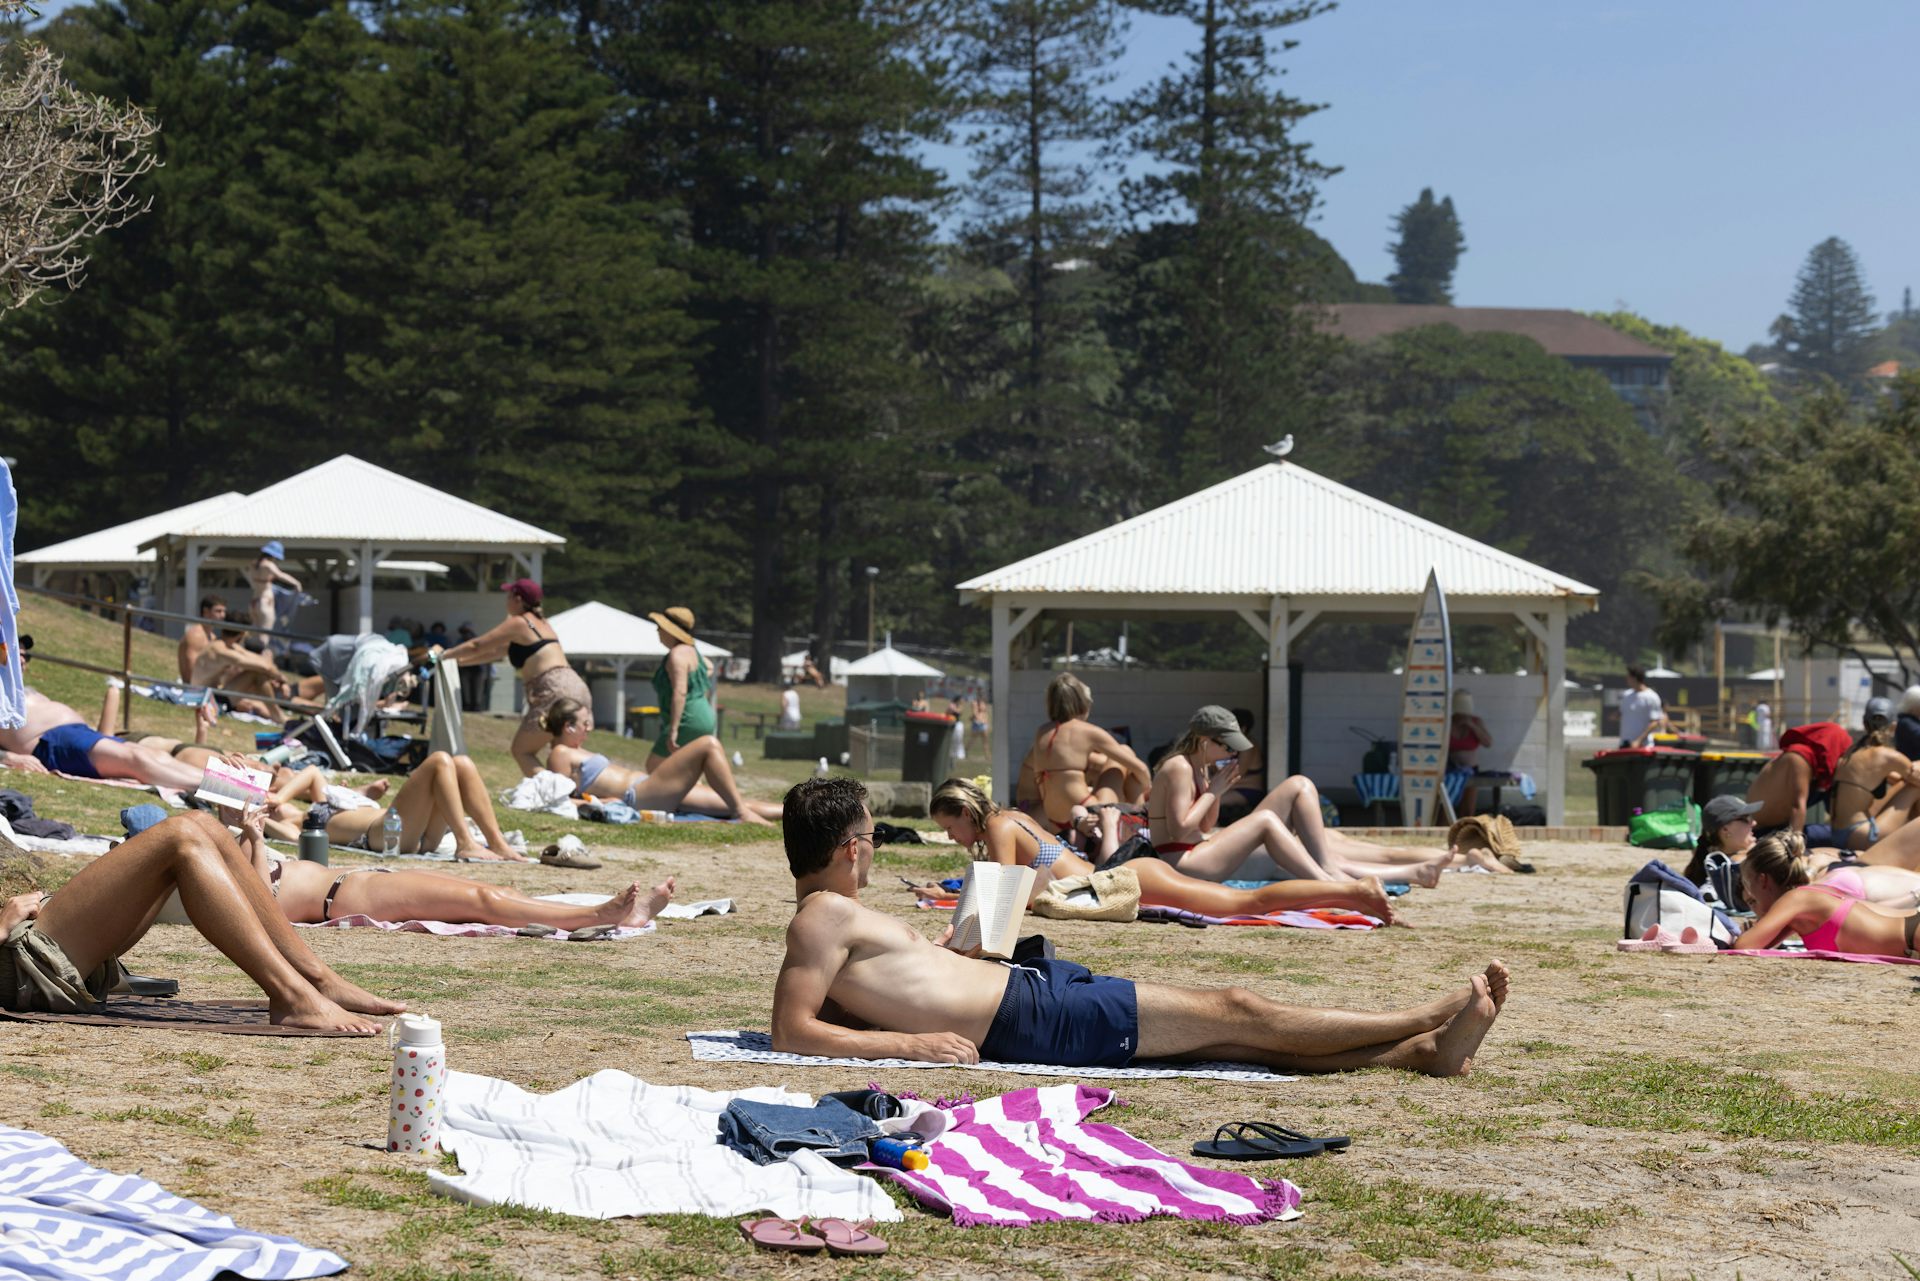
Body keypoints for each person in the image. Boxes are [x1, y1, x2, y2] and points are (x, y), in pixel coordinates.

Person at [771, 777, 1506, 1074]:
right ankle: (1420, 1016)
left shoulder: (828, 920)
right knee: (1237, 1009)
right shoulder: (822, 916)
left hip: (1028, 993)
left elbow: (839, 1004)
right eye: (869, 835)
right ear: (852, 847)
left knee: (1229, 1042)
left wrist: (934, 964)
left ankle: (1418, 1053)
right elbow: (792, 1031)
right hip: (1028, 1013)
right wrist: (915, 1043)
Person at [0, 812, 398, 1031]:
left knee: (204, 826)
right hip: (21, 959)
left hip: (32, 940)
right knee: (180, 838)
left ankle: (317, 979)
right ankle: (292, 996)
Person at [926, 778, 1396, 922]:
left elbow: (1001, 906)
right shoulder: (1007, 820)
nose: (952, 838)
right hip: (1119, 877)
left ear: (966, 814)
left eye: (950, 828)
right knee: (1242, 902)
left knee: (1243, 902)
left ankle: (1355, 891)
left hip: (1122, 879)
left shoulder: (1001, 825)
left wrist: (957, 930)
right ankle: (1354, 893)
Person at [1148, 706, 1458, 886]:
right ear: (1203, 741)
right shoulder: (1178, 767)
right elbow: (1179, 829)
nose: (1231, 753)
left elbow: (1203, 827)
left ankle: (1412, 872)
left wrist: (1214, 793)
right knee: (1269, 822)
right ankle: (1331, 886)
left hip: (1201, 850)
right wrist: (1213, 793)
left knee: (1299, 785)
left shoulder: (1201, 767)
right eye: (1227, 746)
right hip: (1183, 863)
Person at [226, 805, 670, 930]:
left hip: (362, 883)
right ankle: (595, 917)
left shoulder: (238, 855)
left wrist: (246, 831)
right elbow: (264, 906)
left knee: (495, 895)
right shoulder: (230, 882)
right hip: (347, 896)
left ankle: (629, 914)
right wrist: (255, 837)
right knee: (485, 901)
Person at [435, 579, 590, 777]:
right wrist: (455, 662)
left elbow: (477, 645)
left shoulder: (519, 622)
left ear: (518, 599)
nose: (506, 601)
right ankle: (571, 794)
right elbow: (496, 653)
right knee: (563, 753)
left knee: (522, 750)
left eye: (508, 596)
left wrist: (444, 655)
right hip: (577, 687)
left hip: (554, 690)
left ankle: (551, 792)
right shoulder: (542, 624)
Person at [542, 699, 778, 824]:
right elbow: (561, 800)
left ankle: (804, 813)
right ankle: (742, 813)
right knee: (708, 744)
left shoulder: (575, 750)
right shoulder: (559, 754)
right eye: (584, 724)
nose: (589, 728)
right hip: (638, 796)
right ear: (568, 726)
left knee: (731, 801)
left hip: (648, 788)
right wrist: (603, 803)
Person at [301, 750, 530, 860]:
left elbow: (313, 776)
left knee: (461, 763)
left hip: (414, 833)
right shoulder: (294, 813)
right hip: (383, 835)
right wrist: (278, 798)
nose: (282, 771)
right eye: (282, 773)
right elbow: (310, 772)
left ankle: (497, 842)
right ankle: (465, 841)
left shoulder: (329, 794)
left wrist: (363, 791)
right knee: (439, 760)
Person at [1733, 832, 1920, 958]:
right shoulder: (1804, 901)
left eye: (1748, 885)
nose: (1750, 896)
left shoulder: (1796, 900)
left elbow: (1743, 947)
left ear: (1763, 880)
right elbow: (1760, 944)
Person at [0, 687, 217, 790]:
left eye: (25, 654)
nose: (21, 656)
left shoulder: (17, 685)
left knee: (153, 755)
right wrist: (9, 756)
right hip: (51, 742)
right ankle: (219, 789)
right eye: (17, 651)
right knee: (135, 759)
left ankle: (232, 783)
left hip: (79, 733)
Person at [1023, 674, 1151, 827]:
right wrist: (1146, 788)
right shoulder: (1088, 732)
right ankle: (1142, 825)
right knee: (1125, 753)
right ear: (1082, 703)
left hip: (1054, 818)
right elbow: (1141, 768)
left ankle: (1139, 821)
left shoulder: (1041, 733)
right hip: (1088, 810)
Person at [1745, 721, 1856, 834]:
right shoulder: (1799, 757)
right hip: (1762, 831)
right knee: (1838, 835)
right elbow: (1797, 805)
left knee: (1843, 831)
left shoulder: (1819, 768)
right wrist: (1796, 843)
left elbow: (1836, 812)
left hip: (1781, 827)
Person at [646, 606, 717, 769]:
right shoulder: (692, 652)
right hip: (704, 717)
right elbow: (709, 666)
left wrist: (673, 729)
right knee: (686, 771)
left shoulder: (677, 655)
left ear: (670, 631)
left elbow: (680, 692)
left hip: (688, 719)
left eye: (660, 626)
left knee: (654, 767)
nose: (657, 630)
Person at [1682, 794, 1762, 886]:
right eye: (1746, 818)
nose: (1754, 823)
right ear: (1725, 830)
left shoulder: (1708, 866)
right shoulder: (1734, 869)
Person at [1448, 691, 1494, 816]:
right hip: (1451, 770)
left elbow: (1488, 743)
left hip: (1471, 771)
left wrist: (1472, 726)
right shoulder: (1448, 722)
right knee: (1446, 806)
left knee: (1467, 808)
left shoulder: (1476, 721)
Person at [247, 542, 302, 636]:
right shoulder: (268, 565)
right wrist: (296, 583)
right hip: (265, 601)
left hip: (253, 602)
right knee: (265, 634)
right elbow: (280, 575)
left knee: (253, 634)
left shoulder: (254, 563)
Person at [177, 595, 226, 683]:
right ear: (206, 612)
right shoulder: (196, 635)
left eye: (223, 611)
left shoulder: (212, 636)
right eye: (218, 611)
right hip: (194, 689)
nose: (223, 615)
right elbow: (191, 674)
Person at [1618, 667, 1666, 748]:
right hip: (1625, 743)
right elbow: (1622, 713)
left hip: (1643, 745)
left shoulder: (1651, 697)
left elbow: (1654, 722)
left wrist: (1638, 740)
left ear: (1635, 678)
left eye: (1628, 677)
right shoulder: (1626, 695)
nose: (1626, 679)